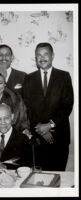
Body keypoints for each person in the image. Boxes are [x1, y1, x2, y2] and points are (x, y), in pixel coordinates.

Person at [22, 43, 74, 171]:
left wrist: (49, 125)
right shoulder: (29, 78)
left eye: (46, 54)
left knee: (57, 176)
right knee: (37, 178)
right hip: (37, 137)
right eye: (39, 55)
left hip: (59, 137)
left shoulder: (64, 76)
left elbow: (67, 105)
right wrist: (41, 128)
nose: (42, 58)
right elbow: (26, 107)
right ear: (35, 58)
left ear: (53, 56)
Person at [0, 103, 32, 169]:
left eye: (6, 118)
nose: (3, 122)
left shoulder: (23, 139)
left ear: (12, 117)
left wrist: (5, 166)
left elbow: (27, 166)